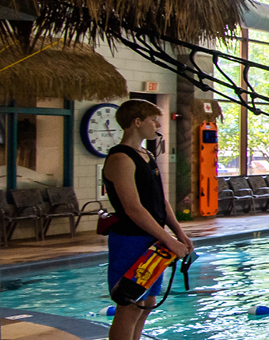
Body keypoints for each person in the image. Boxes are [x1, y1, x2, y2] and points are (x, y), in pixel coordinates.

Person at [102, 100, 191, 340]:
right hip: (130, 239)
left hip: (151, 240)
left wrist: (178, 233)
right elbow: (133, 209)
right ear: (137, 122)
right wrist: (169, 240)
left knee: (147, 303)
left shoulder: (147, 154)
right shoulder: (121, 158)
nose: (158, 125)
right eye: (153, 119)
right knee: (129, 304)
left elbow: (160, 200)